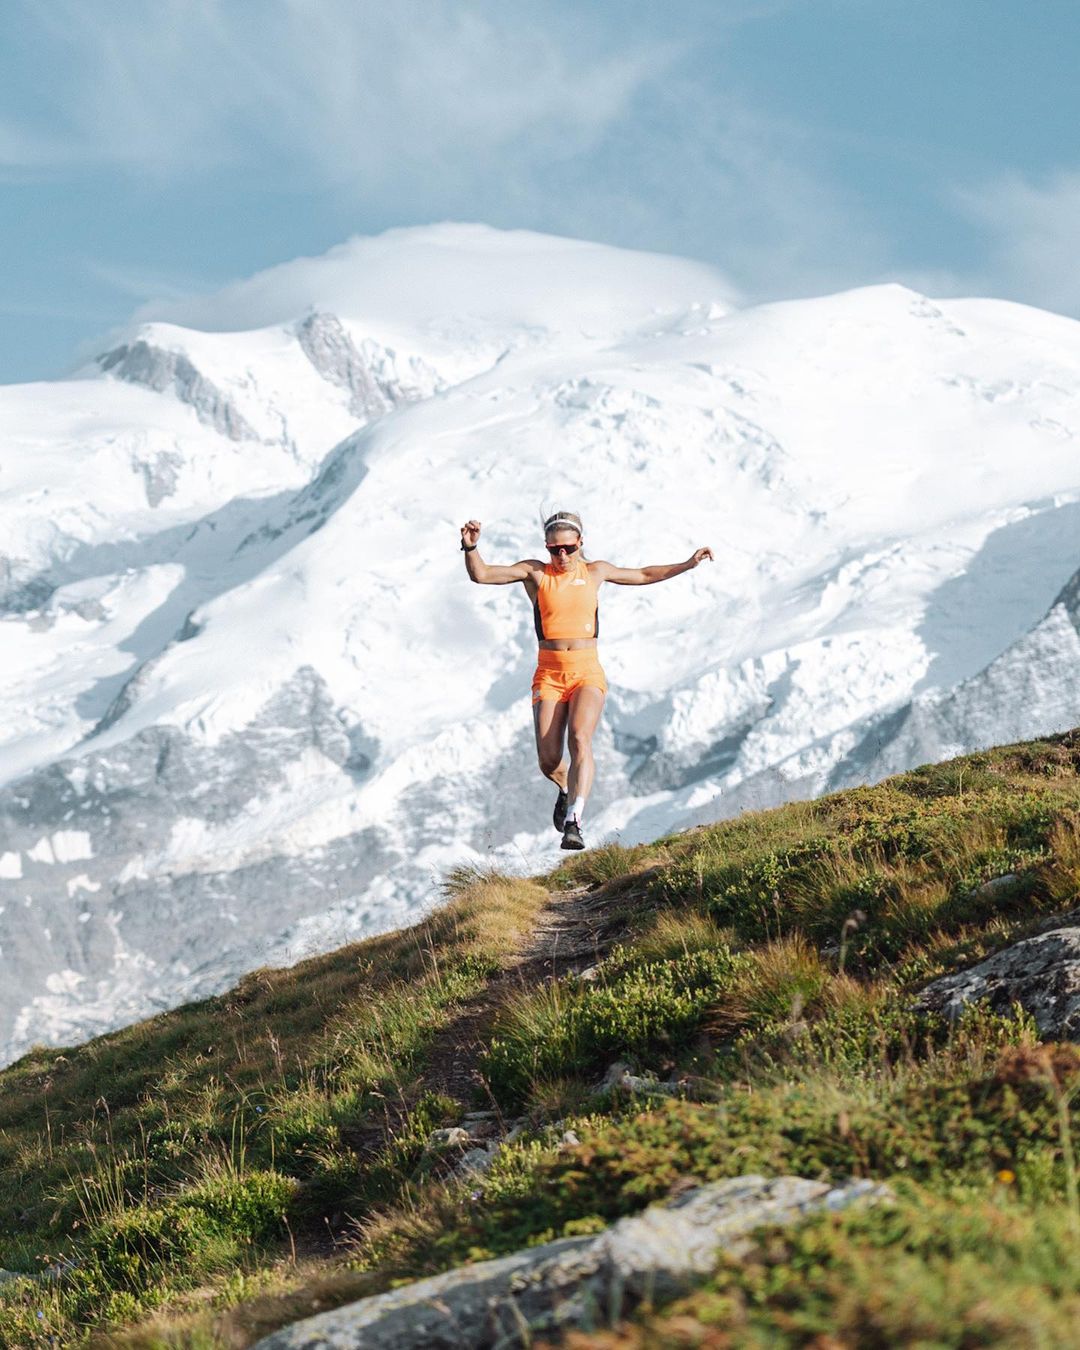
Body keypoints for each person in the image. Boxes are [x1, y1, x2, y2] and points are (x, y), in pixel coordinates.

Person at [460, 510, 713, 850]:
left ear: (580, 544)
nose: (561, 555)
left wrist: (687, 564)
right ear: (547, 548)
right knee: (549, 760)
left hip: (586, 671)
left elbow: (642, 574)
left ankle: (574, 820)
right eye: (554, 549)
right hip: (549, 673)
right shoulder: (535, 572)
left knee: (580, 737)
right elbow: (483, 575)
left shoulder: (595, 572)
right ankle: (566, 788)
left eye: (568, 548)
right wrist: (471, 548)